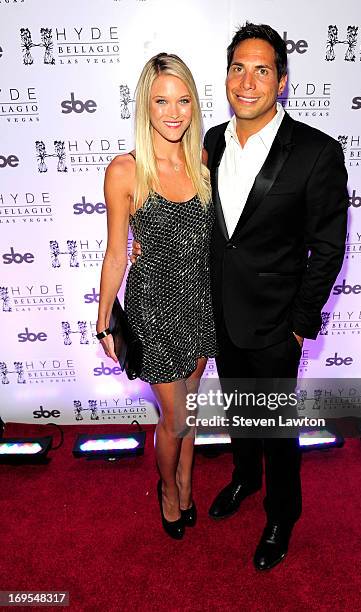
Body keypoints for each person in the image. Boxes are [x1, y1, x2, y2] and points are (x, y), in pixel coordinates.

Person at [133, 23, 348, 570]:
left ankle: (281, 516)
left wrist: (300, 322)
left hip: (277, 324)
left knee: (276, 429)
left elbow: (328, 247)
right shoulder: (206, 145)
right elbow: (186, 221)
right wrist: (147, 254)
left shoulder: (317, 153)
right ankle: (244, 480)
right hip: (214, 315)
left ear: (281, 81)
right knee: (240, 417)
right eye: (238, 68)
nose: (247, 81)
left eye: (262, 70)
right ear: (226, 76)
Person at [96, 53, 216, 540]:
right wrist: (104, 318)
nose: (173, 111)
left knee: (189, 409)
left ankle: (187, 483)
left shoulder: (204, 162)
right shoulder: (126, 171)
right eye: (162, 100)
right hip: (153, 312)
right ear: (145, 105)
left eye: (183, 100)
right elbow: (115, 255)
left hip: (199, 305)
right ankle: (168, 488)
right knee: (177, 416)